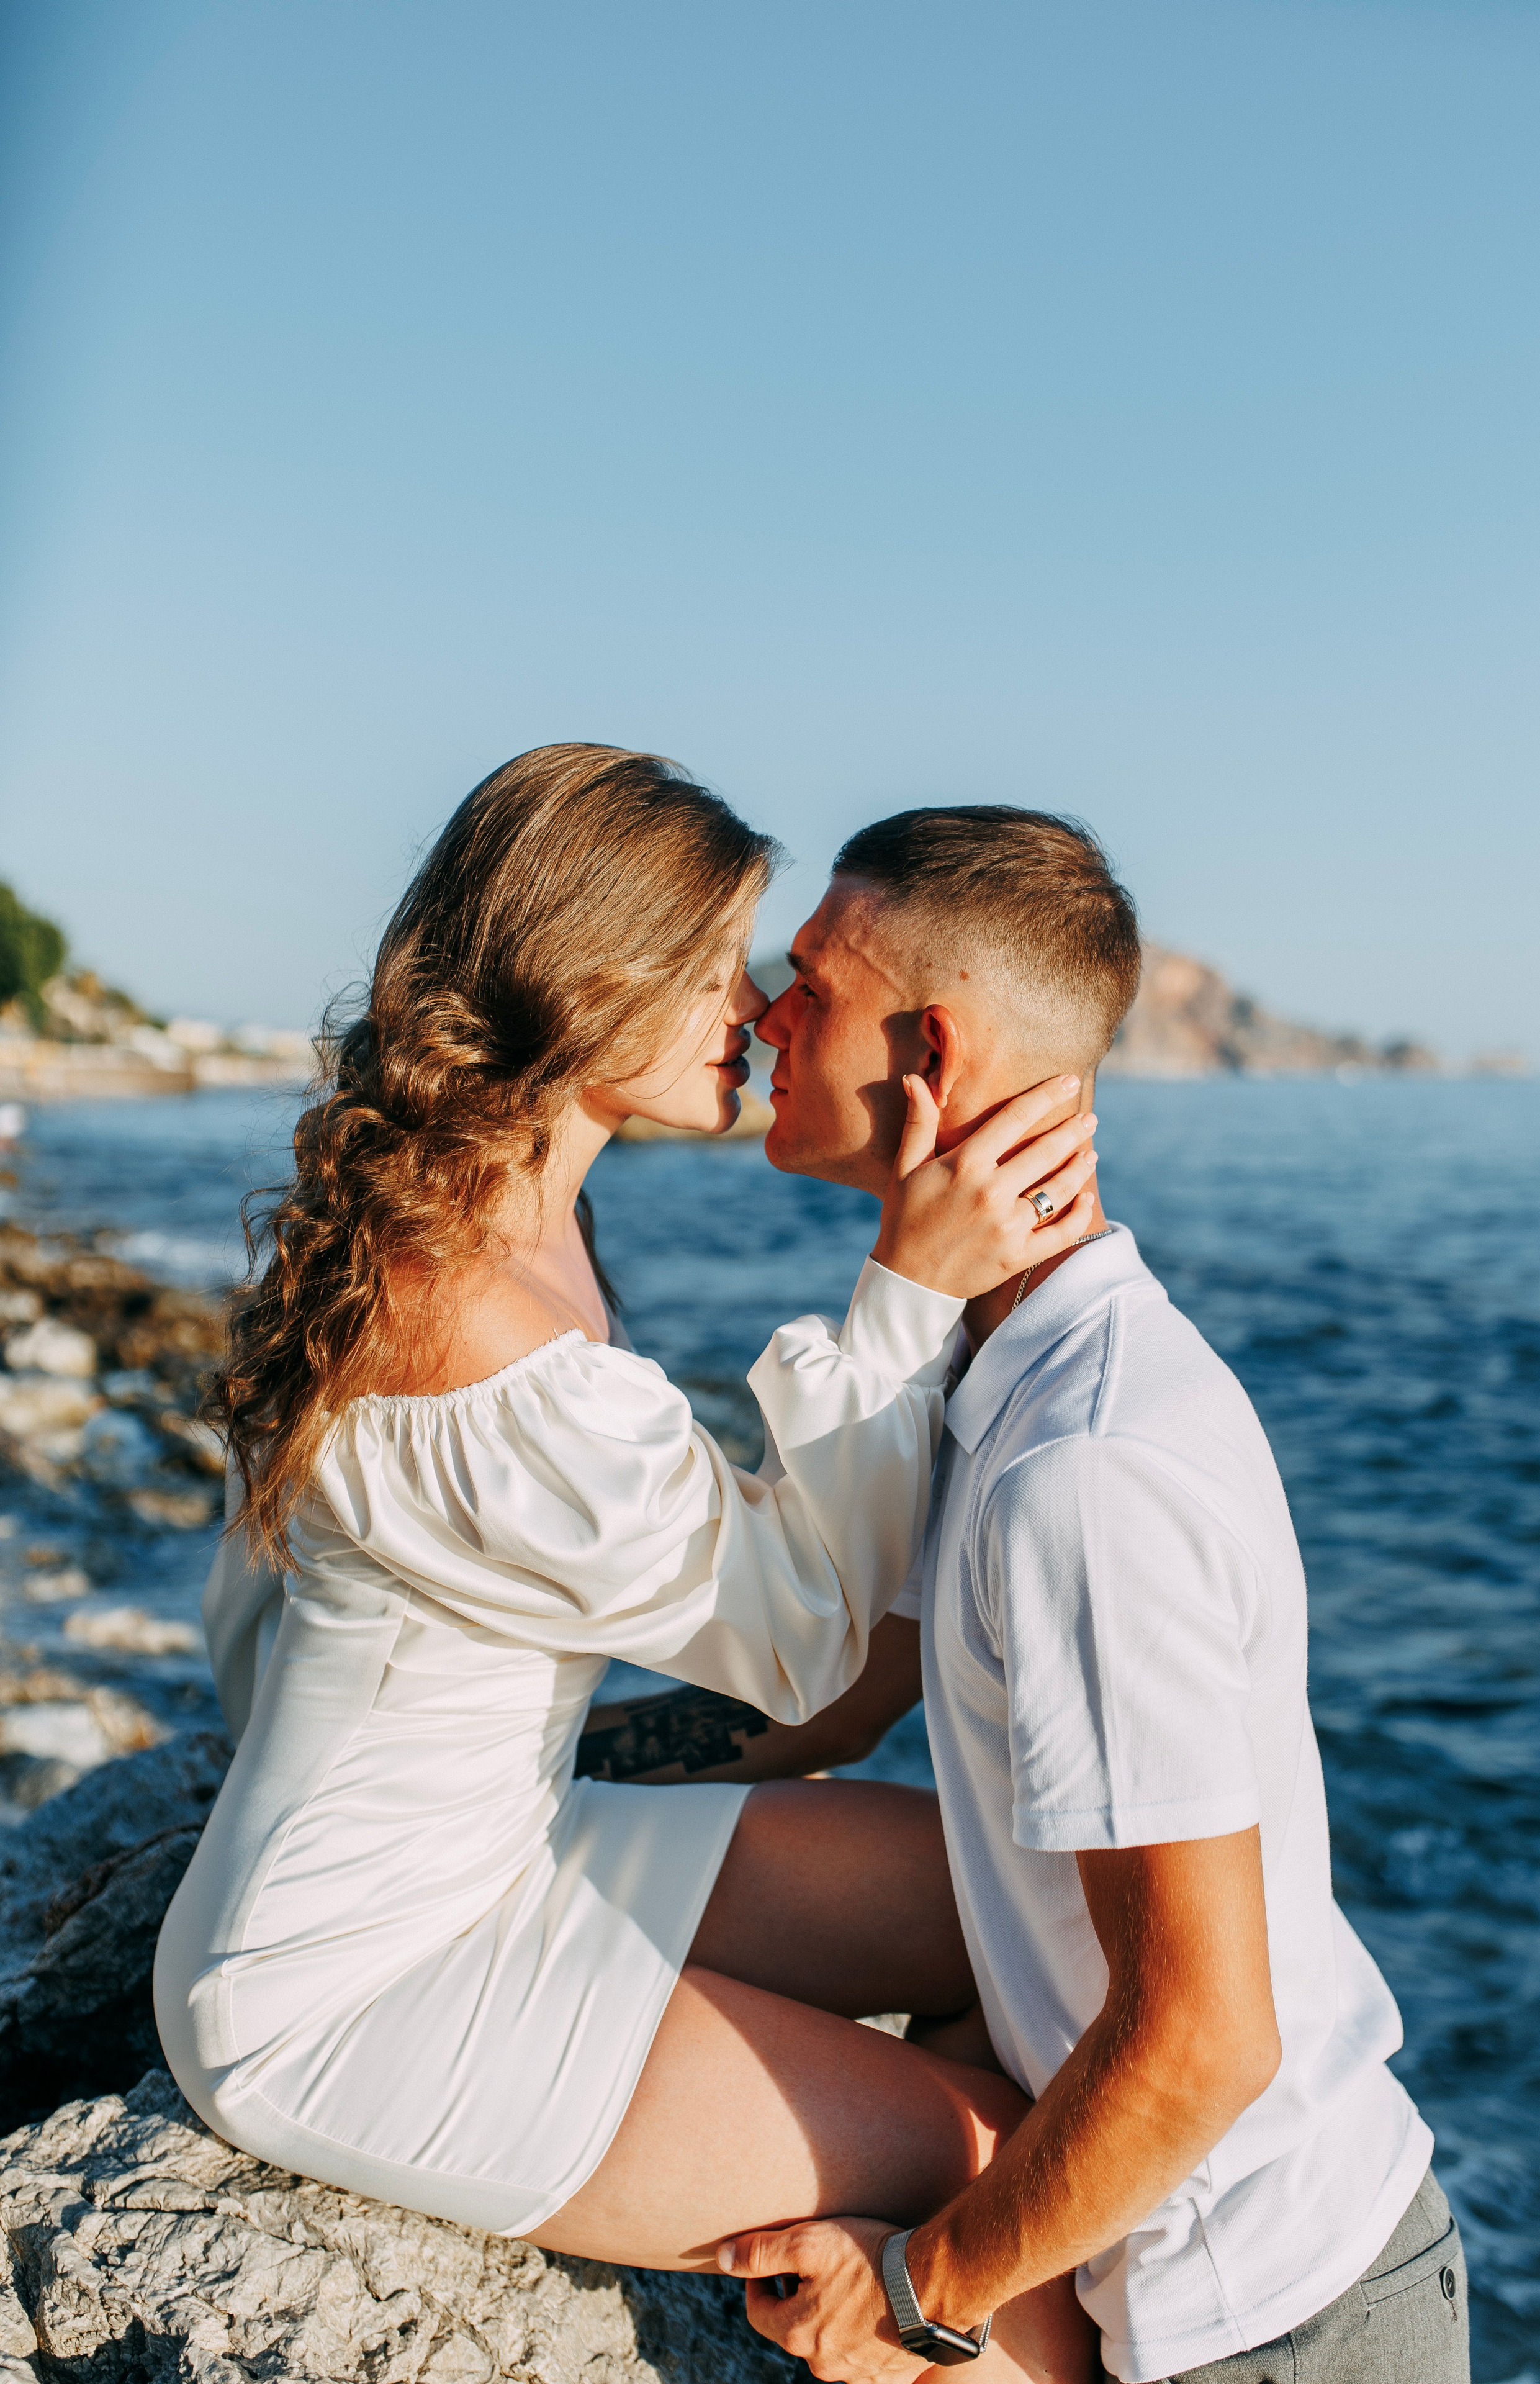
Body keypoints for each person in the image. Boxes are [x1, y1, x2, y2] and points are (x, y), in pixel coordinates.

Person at [154, 746, 1105, 2384]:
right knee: (988, 2173)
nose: (752, 1008)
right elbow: (806, 1649)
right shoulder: (488, 1344)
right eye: (715, 964)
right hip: (351, 1983)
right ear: (591, 984)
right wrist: (909, 1291)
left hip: (507, 1844)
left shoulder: (497, 1213)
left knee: (1018, 1918)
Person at [587, 806, 1469, 2383]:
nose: (765, 1019)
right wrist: (537, 1772)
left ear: (929, 1051)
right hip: (1179, 2279)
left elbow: (1204, 2042)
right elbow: (841, 1692)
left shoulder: (1086, 1465)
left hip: (1275, 2324)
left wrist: (918, 2294)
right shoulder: (996, 1369)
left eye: (808, 983)